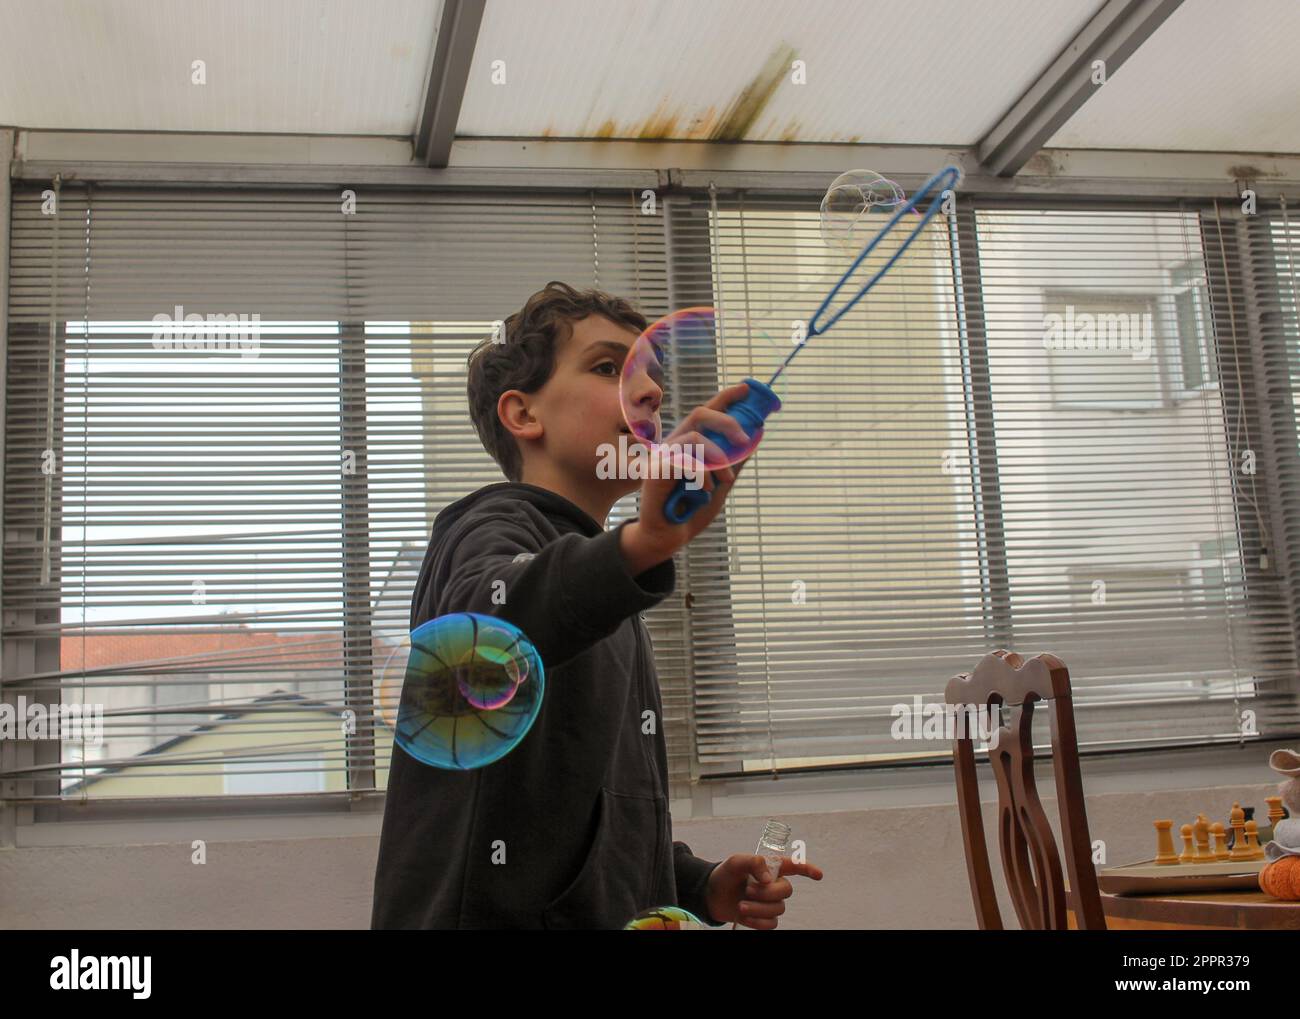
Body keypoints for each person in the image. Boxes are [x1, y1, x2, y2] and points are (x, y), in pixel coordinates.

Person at [371, 281, 822, 929]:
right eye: (610, 367)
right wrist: (641, 544)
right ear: (524, 415)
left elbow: (595, 812)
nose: (651, 393)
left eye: (650, 375)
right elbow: (487, 626)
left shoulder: (609, 584)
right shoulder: (487, 526)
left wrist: (698, 883)